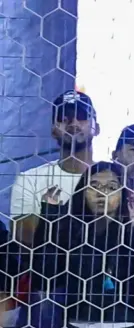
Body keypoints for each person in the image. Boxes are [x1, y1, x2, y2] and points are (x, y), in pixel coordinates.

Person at [31, 161, 134, 328]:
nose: (102, 193)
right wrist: (49, 219)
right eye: (94, 186)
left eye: (111, 187)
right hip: (76, 324)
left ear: (123, 194)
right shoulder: (70, 231)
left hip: (129, 327)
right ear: (82, 192)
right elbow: (44, 277)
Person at [11, 91, 99, 247]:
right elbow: (23, 238)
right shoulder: (30, 179)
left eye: (82, 117)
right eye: (64, 119)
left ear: (96, 128)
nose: (73, 123)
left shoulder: (111, 179)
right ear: (53, 130)